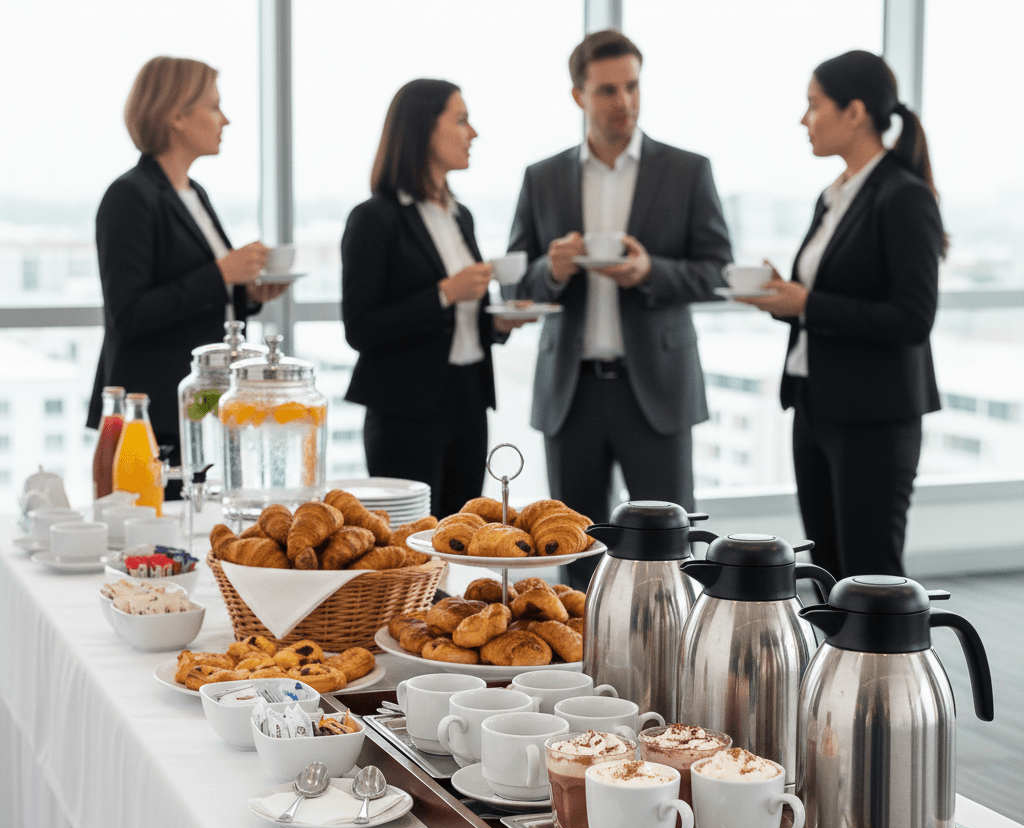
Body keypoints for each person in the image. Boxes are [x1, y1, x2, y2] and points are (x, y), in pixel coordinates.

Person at [507, 30, 732, 589]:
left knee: (670, 549)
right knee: (573, 551)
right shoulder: (543, 177)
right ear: (579, 95)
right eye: (607, 89)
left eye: (632, 86)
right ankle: (577, 666)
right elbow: (519, 276)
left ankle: (676, 661)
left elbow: (715, 271)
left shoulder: (687, 170)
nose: (623, 102)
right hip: (571, 391)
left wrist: (650, 271)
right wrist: (552, 270)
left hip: (656, 386)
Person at [737, 50, 944, 580]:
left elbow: (912, 318)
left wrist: (807, 303)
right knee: (827, 572)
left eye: (813, 105)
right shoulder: (834, 196)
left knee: (870, 575)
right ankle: (836, 669)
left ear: (855, 112)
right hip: (815, 406)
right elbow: (827, 300)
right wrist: (785, 297)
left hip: (873, 417)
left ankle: (883, 669)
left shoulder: (903, 197)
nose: (804, 120)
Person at [87, 57, 287, 488]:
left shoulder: (194, 193)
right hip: (150, 416)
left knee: (201, 526)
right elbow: (129, 314)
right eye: (214, 107)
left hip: (198, 408)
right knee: (162, 541)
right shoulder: (129, 196)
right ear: (175, 115)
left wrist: (248, 293)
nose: (226, 120)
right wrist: (221, 273)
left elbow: (201, 293)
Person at [342, 79, 524, 519]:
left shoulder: (461, 216)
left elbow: (465, 322)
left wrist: (497, 322)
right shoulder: (374, 219)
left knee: (463, 537)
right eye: (461, 120)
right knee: (415, 548)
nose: (472, 133)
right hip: (405, 411)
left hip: (467, 399)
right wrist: (445, 293)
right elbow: (361, 328)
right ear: (423, 129)